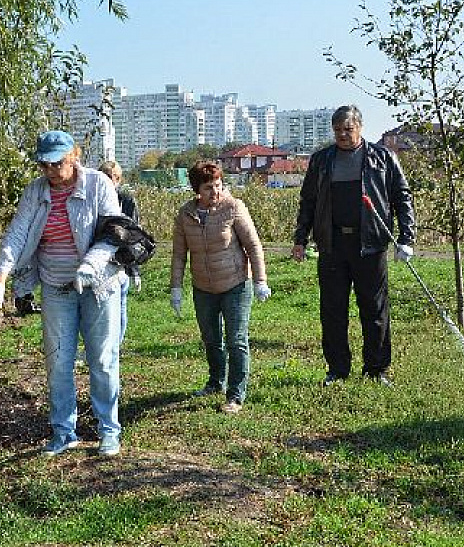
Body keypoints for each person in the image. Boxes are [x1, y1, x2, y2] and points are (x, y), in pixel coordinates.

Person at [0, 130, 126, 458]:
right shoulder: (35, 191)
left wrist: (90, 265)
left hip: (98, 285)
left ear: (74, 156)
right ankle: (64, 432)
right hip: (56, 287)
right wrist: (0, 279)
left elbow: (114, 233)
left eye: (56, 163)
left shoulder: (98, 184)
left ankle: (109, 430)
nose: (50, 170)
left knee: (102, 360)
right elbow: (17, 234)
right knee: (58, 362)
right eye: (44, 165)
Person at [291, 105, 415, 386]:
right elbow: (308, 201)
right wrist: (300, 239)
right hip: (332, 245)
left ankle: (376, 369)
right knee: (333, 311)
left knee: (375, 310)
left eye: (348, 129)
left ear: (360, 127)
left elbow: (402, 197)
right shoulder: (321, 160)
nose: (343, 135)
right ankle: (337, 370)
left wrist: (406, 238)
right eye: (337, 130)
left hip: (370, 245)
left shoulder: (383, 157)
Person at [170, 160, 271, 413]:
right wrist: (176, 288)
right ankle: (216, 382)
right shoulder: (185, 215)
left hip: (235, 284)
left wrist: (260, 280)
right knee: (211, 339)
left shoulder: (233, 207)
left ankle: (235, 394)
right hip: (203, 287)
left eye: (218, 184)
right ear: (196, 189)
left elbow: (253, 245)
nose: (214, 191)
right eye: (208, 187)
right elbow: (179, 255)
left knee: (236, 340)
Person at [100, 160, 140, 344]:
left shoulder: (126, 201)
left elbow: (134, 234)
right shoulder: (95, 199)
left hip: (121, 260)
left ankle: (116, 345)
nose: (108, 182)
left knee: (120, 304)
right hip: (100, 260)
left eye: (112, 178)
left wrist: (134, 269)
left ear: (118, 179)